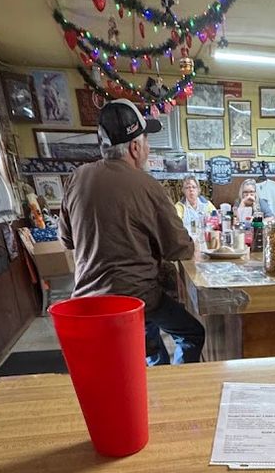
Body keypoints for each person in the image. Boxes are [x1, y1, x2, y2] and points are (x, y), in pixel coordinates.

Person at [59, 100, 204, 365]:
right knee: (192, 333)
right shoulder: (147, 185)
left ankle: (151, 365)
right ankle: (171, 382)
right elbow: (179, 247)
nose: (148, 148)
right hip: (138, 299)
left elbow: (67, 239)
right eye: (147, 140)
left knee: (148, 344)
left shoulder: (76, 178)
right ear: (135, 147)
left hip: (87, 304)